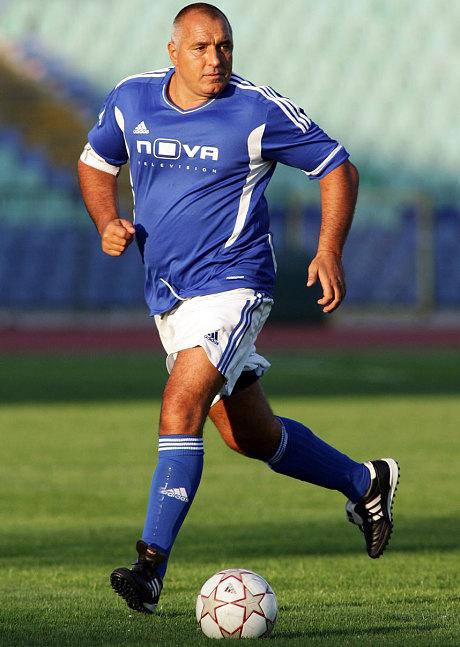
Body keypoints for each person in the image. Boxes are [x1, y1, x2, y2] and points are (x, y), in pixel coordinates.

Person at [78, 2, 399, 615]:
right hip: (169, 296)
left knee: (181, 401)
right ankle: (366, 481)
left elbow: (338, 168)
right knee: (249, 436)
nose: (215, 59)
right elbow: (96, 163)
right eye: (201, 47)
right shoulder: (131, 99)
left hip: (235, 284)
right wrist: (106, 221)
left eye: (224, 46)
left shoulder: (256, 109)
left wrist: (329, 251)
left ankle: (150, 568)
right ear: (173, 51)